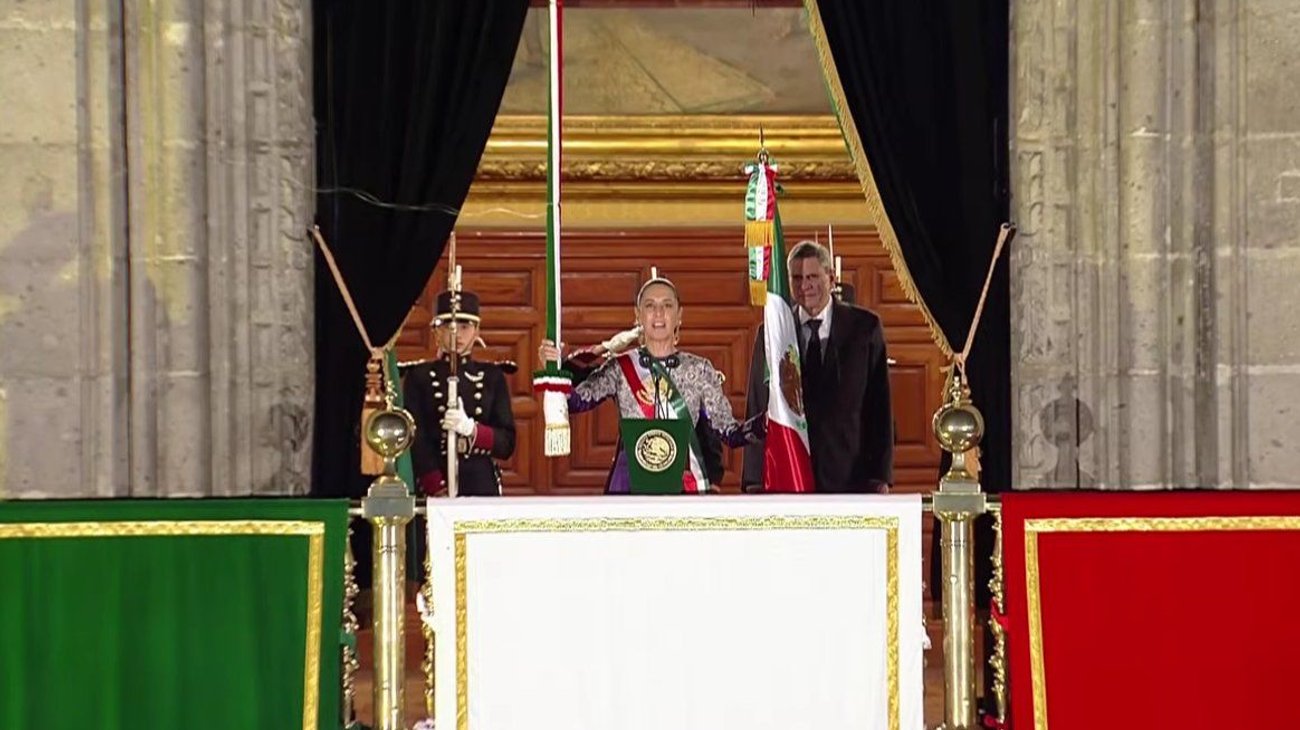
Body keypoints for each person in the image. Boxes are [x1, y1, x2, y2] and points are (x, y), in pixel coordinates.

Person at [539, 275, 764, 494]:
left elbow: (730, 433)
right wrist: (553, 370)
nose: (658, 313)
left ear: (679, 316)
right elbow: (574, 403)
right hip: (630, 488)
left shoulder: (700, 369)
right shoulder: (620, 367)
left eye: (667, 305)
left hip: (683, 490)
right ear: (638, 316)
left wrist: (766, 423)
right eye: (650, 306)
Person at [743, 241, 893, 493]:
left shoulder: (865, 328)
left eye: (812, 276)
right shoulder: (772, 331)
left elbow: (879, 407)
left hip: (850, 477)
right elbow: (758, 405)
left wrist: (881, 476)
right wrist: (754, 479)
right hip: (788, 475)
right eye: (797, 278)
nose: (805, 286)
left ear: (831, 278)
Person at [563, 325, 727, 491]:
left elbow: (708, 431)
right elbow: (571, 388)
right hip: (629, 481)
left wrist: (713, 481)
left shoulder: (694, 372)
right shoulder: (621, 370)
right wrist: (604, 347)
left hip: (680, 482)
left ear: (676, 334)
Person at [403, 290, 516, 496]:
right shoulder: (419, 376)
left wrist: (472, 430)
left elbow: (507, 443)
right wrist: (435, 485)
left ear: (477, 330)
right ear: (436, 332)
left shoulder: (492, 376)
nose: (457, 334)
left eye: (465, 327)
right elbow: (415, 439)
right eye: (448, 327)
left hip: (480, 483)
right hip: (435, 483)